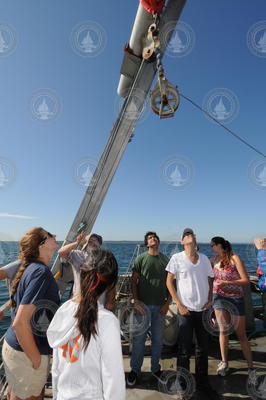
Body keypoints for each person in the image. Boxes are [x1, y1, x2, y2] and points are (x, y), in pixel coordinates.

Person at [47, 248, 126, 400]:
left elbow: (56, 368)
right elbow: (113, 380)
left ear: (81, 274)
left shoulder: (64, 309)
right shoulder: (107, 322)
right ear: (111, 284)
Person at [1, 227, 60, 400]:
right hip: (27, 351)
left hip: (16, 348)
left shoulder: (31, 268)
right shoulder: (40, 272)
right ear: (41, 245)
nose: (55, 235)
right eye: (49, 235)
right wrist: (36, 360)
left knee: (16, 393)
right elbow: (20, 323)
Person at [166, 228, 219, 400]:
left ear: (195, 239)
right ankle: (183, 386)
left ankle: (203, 384)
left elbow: (210, 279)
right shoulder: (177, 258)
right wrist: (179, 304)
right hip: (185, 311)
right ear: (182, 242)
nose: (190, 236)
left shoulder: (204, 259)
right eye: (186, 235)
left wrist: (210, 298)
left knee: (202, 349)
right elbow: (169, 282)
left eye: (192, 234)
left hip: (203, 310)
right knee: (184, 350)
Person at [127, 231, 170, 386]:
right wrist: (136, 301)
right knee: (139, 340)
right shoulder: (141, 258)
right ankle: (134, 371)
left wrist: (167, 303)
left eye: (155, 237)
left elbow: (171, 283)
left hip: (160, 306)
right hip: (142, 306)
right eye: (150, 238)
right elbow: (133, 281)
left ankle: (155, 369)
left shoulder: (166, 259)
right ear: (146, 243)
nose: (153, 239)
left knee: (158, 341)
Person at [210, 236, 253, 376]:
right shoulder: (214, 260)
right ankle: (224, 363)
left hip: (235, 299)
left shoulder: (235, 258)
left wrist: (228, 283)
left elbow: (245, 280)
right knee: (223, 331)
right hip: (218, 298)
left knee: (241, 334)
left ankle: (251, 367)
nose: (211, 248)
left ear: (219, 245)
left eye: (212, 245)